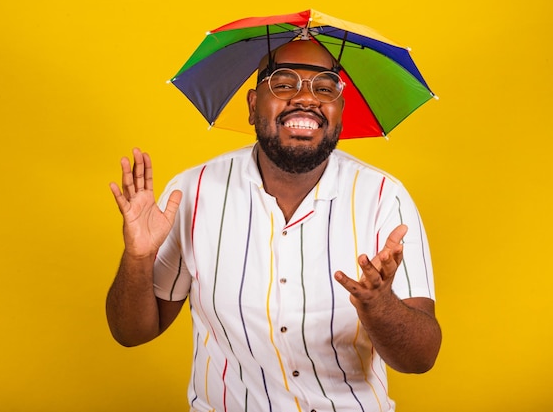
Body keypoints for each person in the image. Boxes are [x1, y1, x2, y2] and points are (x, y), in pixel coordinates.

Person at [106, 40, 442, 412]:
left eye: (326, 87)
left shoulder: (383, 197)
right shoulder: (191, 192)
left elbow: (420, 358)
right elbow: (132, 333)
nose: (306, 99)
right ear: (252, 105)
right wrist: (137, 257)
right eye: (284, 83)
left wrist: (379, 306)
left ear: (340, 111)